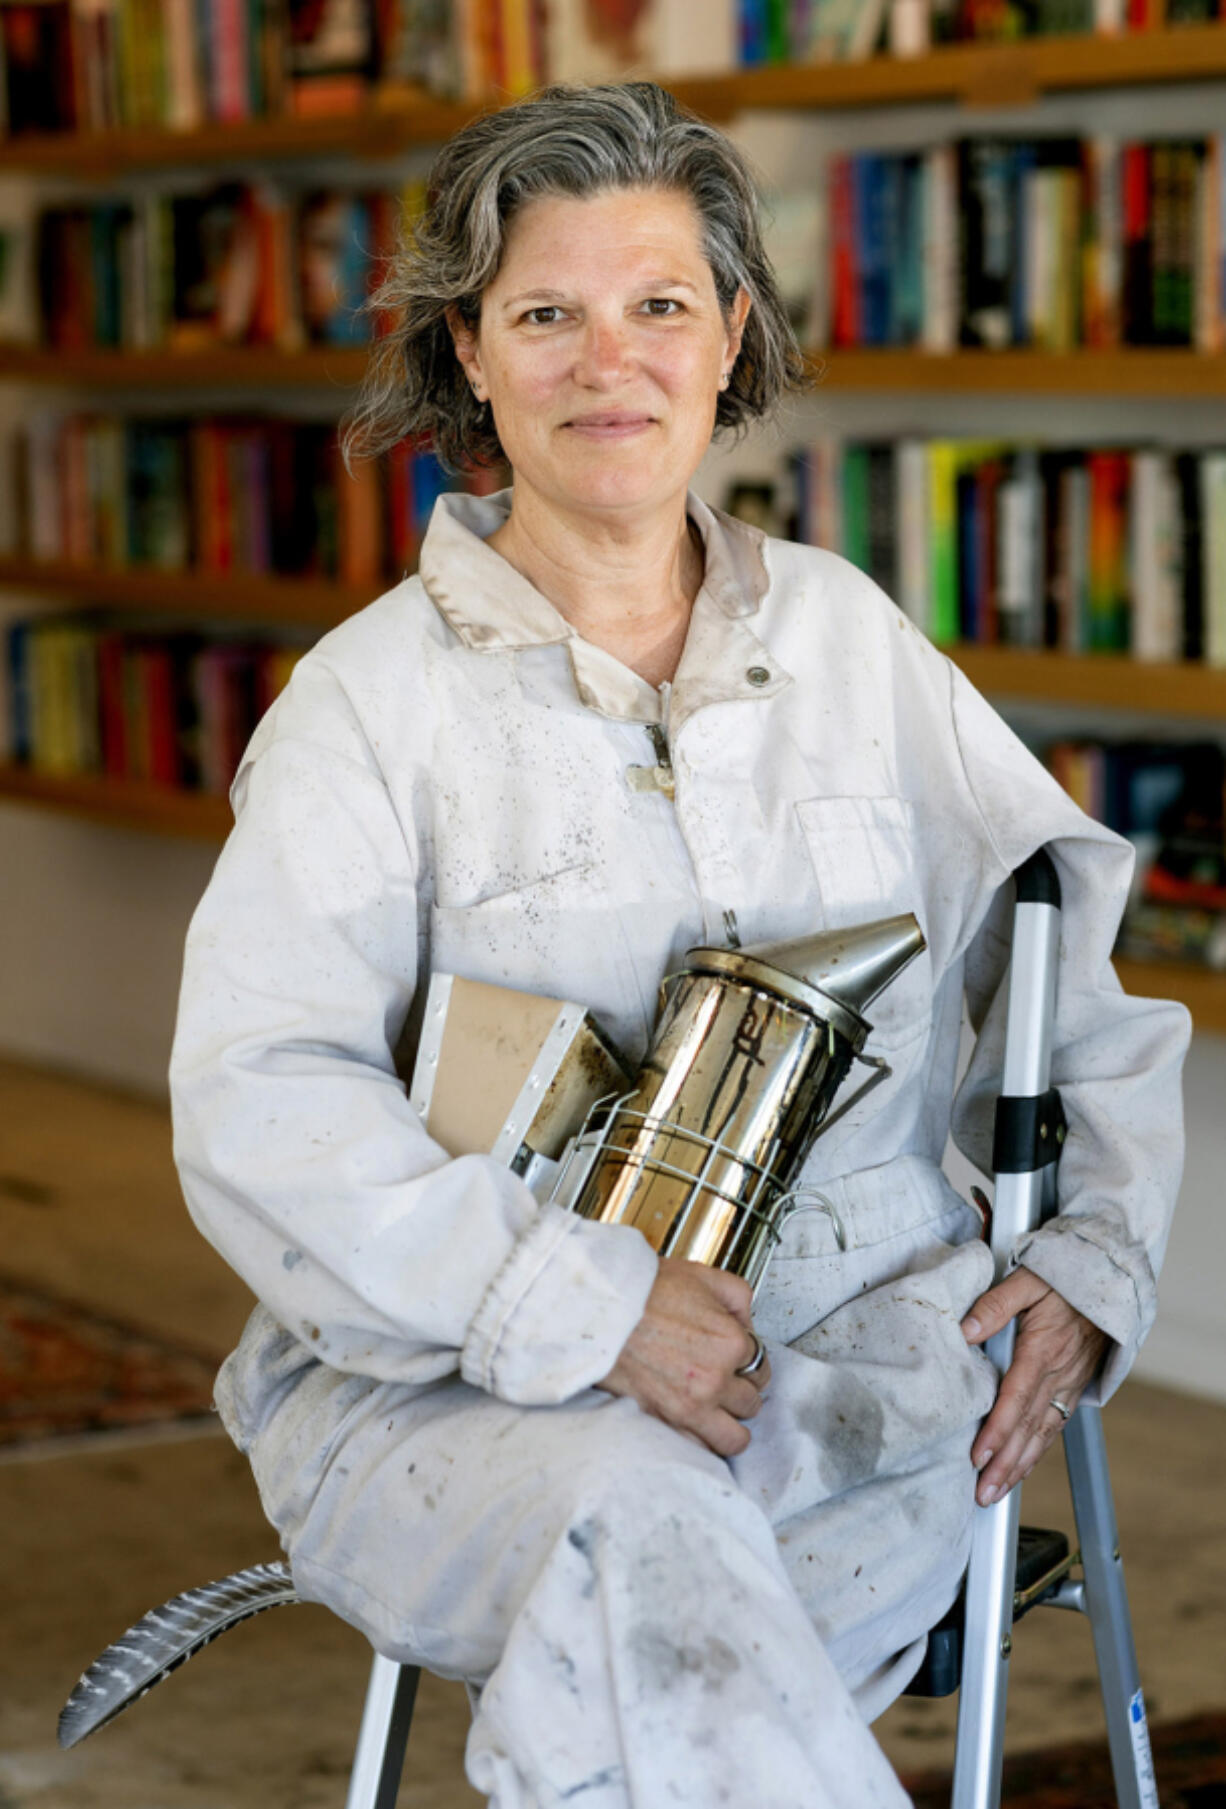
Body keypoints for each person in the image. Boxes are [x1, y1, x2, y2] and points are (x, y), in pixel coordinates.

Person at [169, 82, 1189, 1809]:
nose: (605, 360)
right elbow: (262, 1106)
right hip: (456, 1418)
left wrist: (1096, 1251)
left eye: (656, 304)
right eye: (543, 313)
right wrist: (584, 1307)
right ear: (467, 358)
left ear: (730, 332)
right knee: (632, 1533)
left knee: (659, 1638)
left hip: (849, 1399)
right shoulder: (369, 707)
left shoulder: (854, 646)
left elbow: (1058, 967)